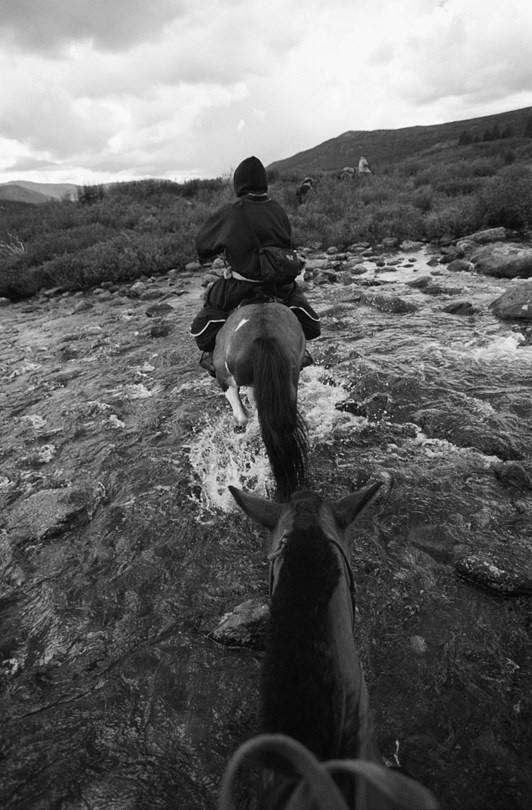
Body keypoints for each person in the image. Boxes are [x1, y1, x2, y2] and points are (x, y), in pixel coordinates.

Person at [190, 156, 321, 375]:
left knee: (208, 313)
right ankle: (302, 352)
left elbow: (202, 246)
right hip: (278, 285)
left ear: (238, 184)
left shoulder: (231, 211)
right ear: (264, 183)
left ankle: (212, 357)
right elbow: (286, 245)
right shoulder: (277, 209)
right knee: (305, 317)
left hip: (240, 286)